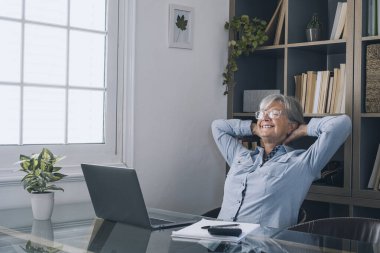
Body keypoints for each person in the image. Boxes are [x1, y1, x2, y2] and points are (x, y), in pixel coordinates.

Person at [211, 94, 351, 228]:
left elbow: (342, 124)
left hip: (258, 246)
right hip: (216, 241)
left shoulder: (302, 163)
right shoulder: (240, 156)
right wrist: (254, 128)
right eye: (261, 114)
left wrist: (303, 129)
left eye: (274, 113)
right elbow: (218, 126)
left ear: (291, 125)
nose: (265, 117)